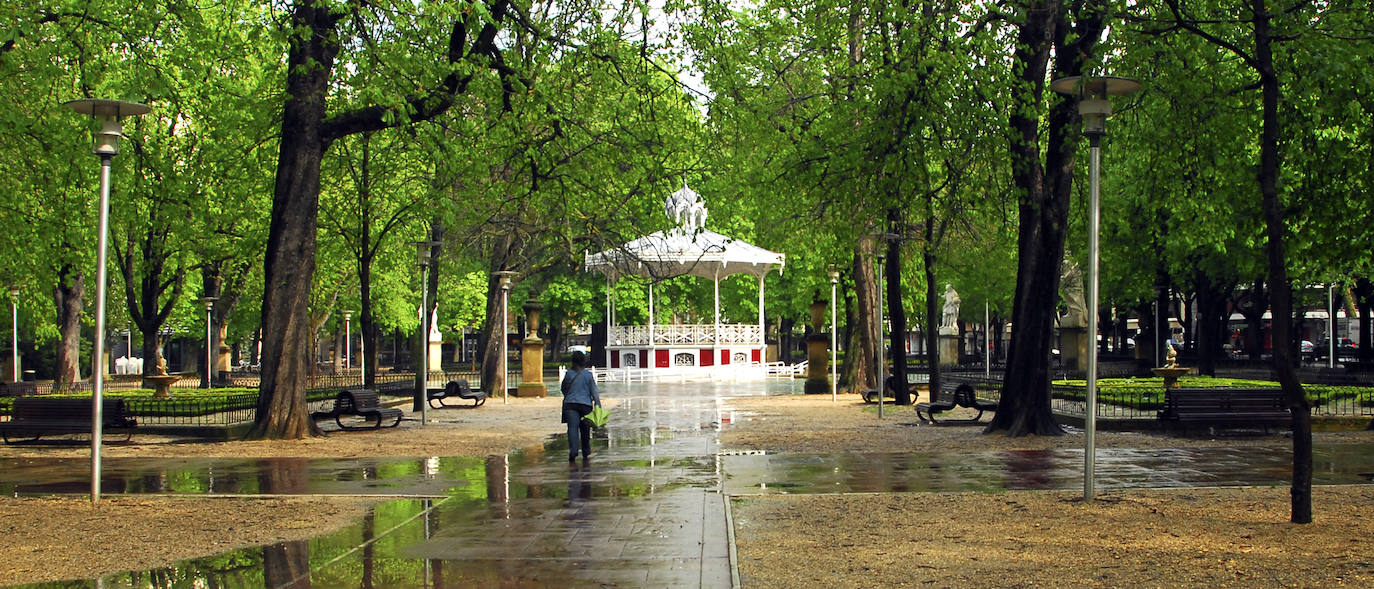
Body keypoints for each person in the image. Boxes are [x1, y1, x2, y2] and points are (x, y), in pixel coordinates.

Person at [560, 351, 602, 464]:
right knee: (585, 429)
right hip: (586, 405)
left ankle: (573, 451)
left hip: (570, 404)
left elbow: (563, 389)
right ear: (584, 361)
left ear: (573, 361)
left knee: (572, 428)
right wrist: (598, 405)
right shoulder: (588, 375)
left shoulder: (569, 374)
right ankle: (586, 450)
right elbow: (594, 392)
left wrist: (571, 396)